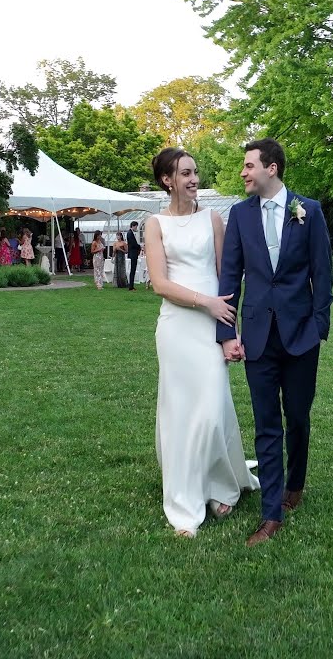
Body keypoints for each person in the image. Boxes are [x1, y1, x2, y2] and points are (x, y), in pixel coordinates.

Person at [216, 138, 333, 547]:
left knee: (297, 418)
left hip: (301, 336)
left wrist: (319, 325)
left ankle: (295, 485)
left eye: (249, 166)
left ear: (273, 168)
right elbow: (230, 277)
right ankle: (270, 515)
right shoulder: (239, 215)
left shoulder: (309, 211)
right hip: (257, 339)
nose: (244, 172)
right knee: (267, 425)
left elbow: (322, 272)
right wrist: (227, 334)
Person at [146, 147, 259, 538]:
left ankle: (221, 484)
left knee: (212, 410)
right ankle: (185, 502)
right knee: (181, 415)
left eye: (196, 172)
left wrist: (229, 330)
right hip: (177, 328)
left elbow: (227, 275)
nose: (194, 180)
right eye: (187, 173)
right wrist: (205, 302)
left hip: (212, 329)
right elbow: (159, 283)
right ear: (168, 180)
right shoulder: (154, 223)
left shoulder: (212, 218)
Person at [126, 220, 143, 291]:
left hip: (133, 253)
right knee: (133, 270)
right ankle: (131, 286)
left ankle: (131, 285)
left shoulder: (131, 233)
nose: (136, 228)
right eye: (136, 226)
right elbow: (133, 244)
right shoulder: (130, 233)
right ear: (133, 226)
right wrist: (139, 247)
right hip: (133, 253)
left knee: (133, 269)